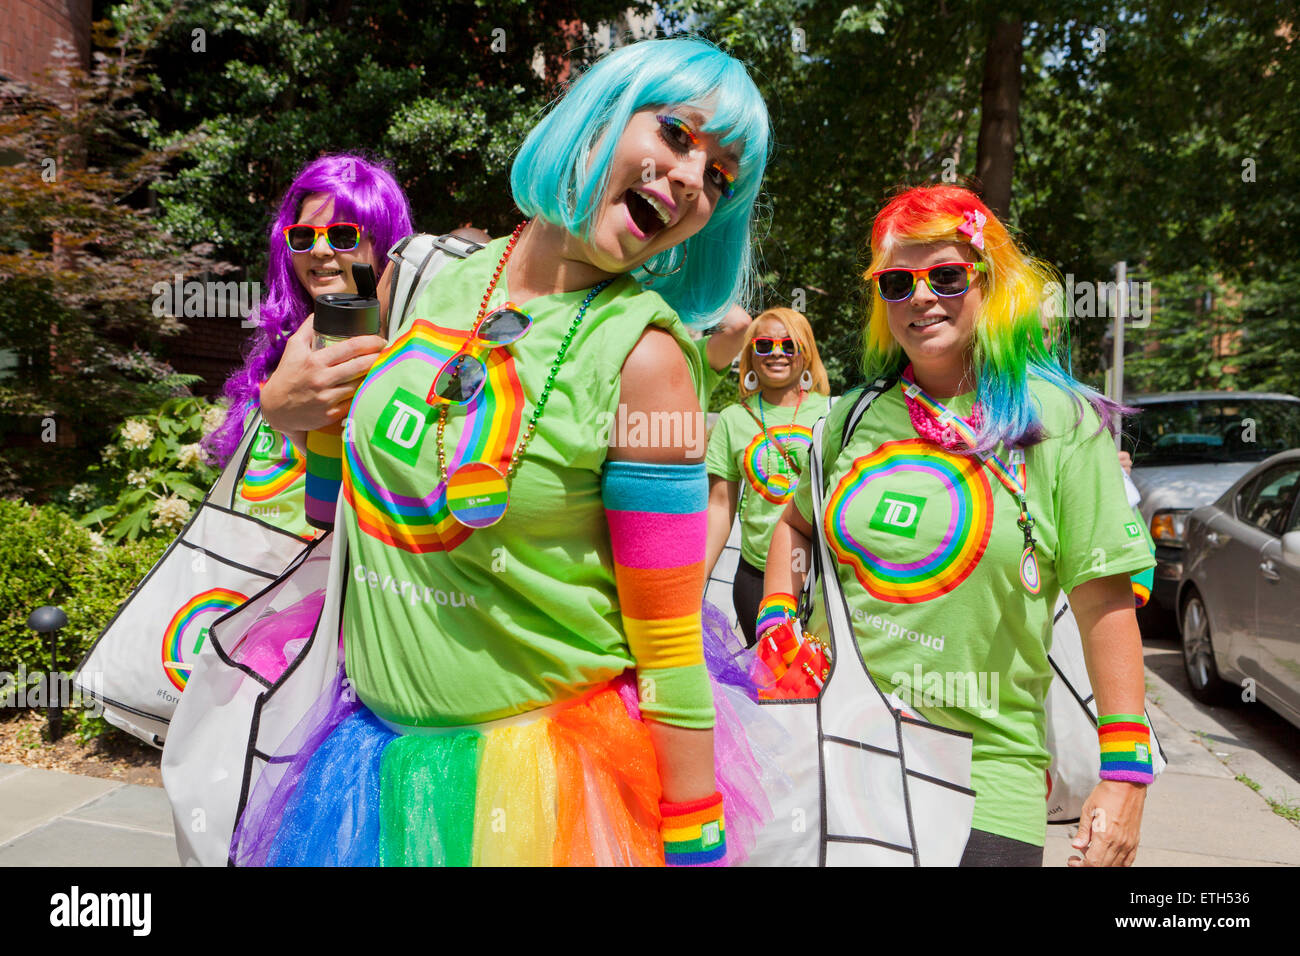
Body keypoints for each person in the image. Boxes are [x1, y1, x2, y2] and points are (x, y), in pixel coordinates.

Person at [234, 35, 774, 866]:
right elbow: (329, 510)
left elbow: (667, 643)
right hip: (369, 769)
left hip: (547, 801)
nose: (695, 177)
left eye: (721, 177)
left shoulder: (651, 361)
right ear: (600, 115)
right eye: (676, 133)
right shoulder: (414, 279)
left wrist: (695, 838)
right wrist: (287, 411)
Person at [760, 185, 1155, 867]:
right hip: (834, 760)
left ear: (989, 282)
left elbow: (1105, 601)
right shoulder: (850, 418)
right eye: (896, 282)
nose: (921, 297)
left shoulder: (1056, 424)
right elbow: (794, 525)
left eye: (946, 275)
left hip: (985, 784)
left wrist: (1126, 775)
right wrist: (775, 621)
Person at [201, 154, 413, 539]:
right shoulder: (282, 348)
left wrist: (284, 414)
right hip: (252, 576)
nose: (319, 250)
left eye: (343, 235)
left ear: (384, 245)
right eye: (303, 236)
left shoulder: (410, 356)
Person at [705, 308, 831, 645]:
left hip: (822, 579)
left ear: (806, 353)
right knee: (764, 686)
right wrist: (692, 584)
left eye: (788, 344)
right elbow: (719, 508)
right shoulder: (733, 420)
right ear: (750, 355)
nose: (776, 352)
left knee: (817, 685)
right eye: (764, 345)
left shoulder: (833, 413)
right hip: (755, 577)